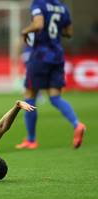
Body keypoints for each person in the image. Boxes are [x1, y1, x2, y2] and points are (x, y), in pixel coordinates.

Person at [17, 0, 86, 149]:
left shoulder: (39, 4)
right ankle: (77, 124)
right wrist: (53, 29)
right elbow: (69, 32)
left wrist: (25, 31)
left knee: (29, 96)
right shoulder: (62, 7)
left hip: (40, 56)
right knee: (55, 97)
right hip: (57, 56)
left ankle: (31, 140)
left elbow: (38, 24)